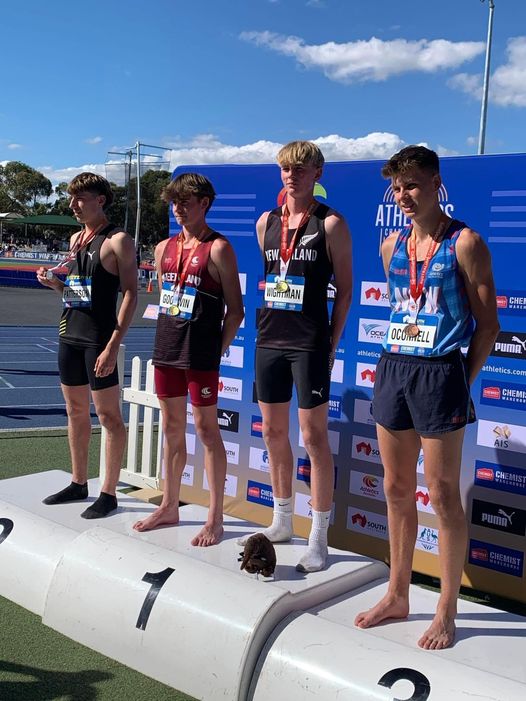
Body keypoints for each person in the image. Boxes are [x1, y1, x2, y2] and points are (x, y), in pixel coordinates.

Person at [354, 146, 500, 649]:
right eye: (397, 188)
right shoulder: (390, 246)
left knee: (440, 494)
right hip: (394, 367)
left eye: (412, 185)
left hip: (441, 372)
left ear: (436, 183)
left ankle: (446, 607)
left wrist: (462, 375)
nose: (404, 196)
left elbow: (488, 326)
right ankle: (397, 593)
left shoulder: (466, 243)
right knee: (396, 487)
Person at [239, 140, 353, 572]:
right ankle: (282, 519)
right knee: (271, 432)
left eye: (301, 169)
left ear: (317, 174)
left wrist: (332, 342)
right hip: (269, 339)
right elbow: (274, 277)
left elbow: (345, 290)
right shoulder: (265, 221)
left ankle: (318, 536)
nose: (292, 175)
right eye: (286, 168)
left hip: (309, 343)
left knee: (314, 438)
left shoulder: (331, 224)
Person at [133, 173, 244, 546]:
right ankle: (169, 504)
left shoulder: (219, 248)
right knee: (171, 428)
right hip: (167, 348)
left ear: (205, 204)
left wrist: (218, 349)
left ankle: (215, 518)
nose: (178, 209)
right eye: (174, 202)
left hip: (200, 355)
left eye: (186, 202)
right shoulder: (164, 247)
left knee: (208, 432)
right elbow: (168, 298)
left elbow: (236, 310)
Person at [36, 173, 138, 518]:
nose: (73, 205)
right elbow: (77, 294)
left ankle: (108, 492)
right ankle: (79, 482)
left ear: (101, 200)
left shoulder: (118, 240)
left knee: (109, 416)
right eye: (71, 199)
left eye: (81, 198)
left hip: (99, 339)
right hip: (69, 333)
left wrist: (113, 345)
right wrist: (55, 284)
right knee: (75, 411)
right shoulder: (76, 238)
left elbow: (130, 295)